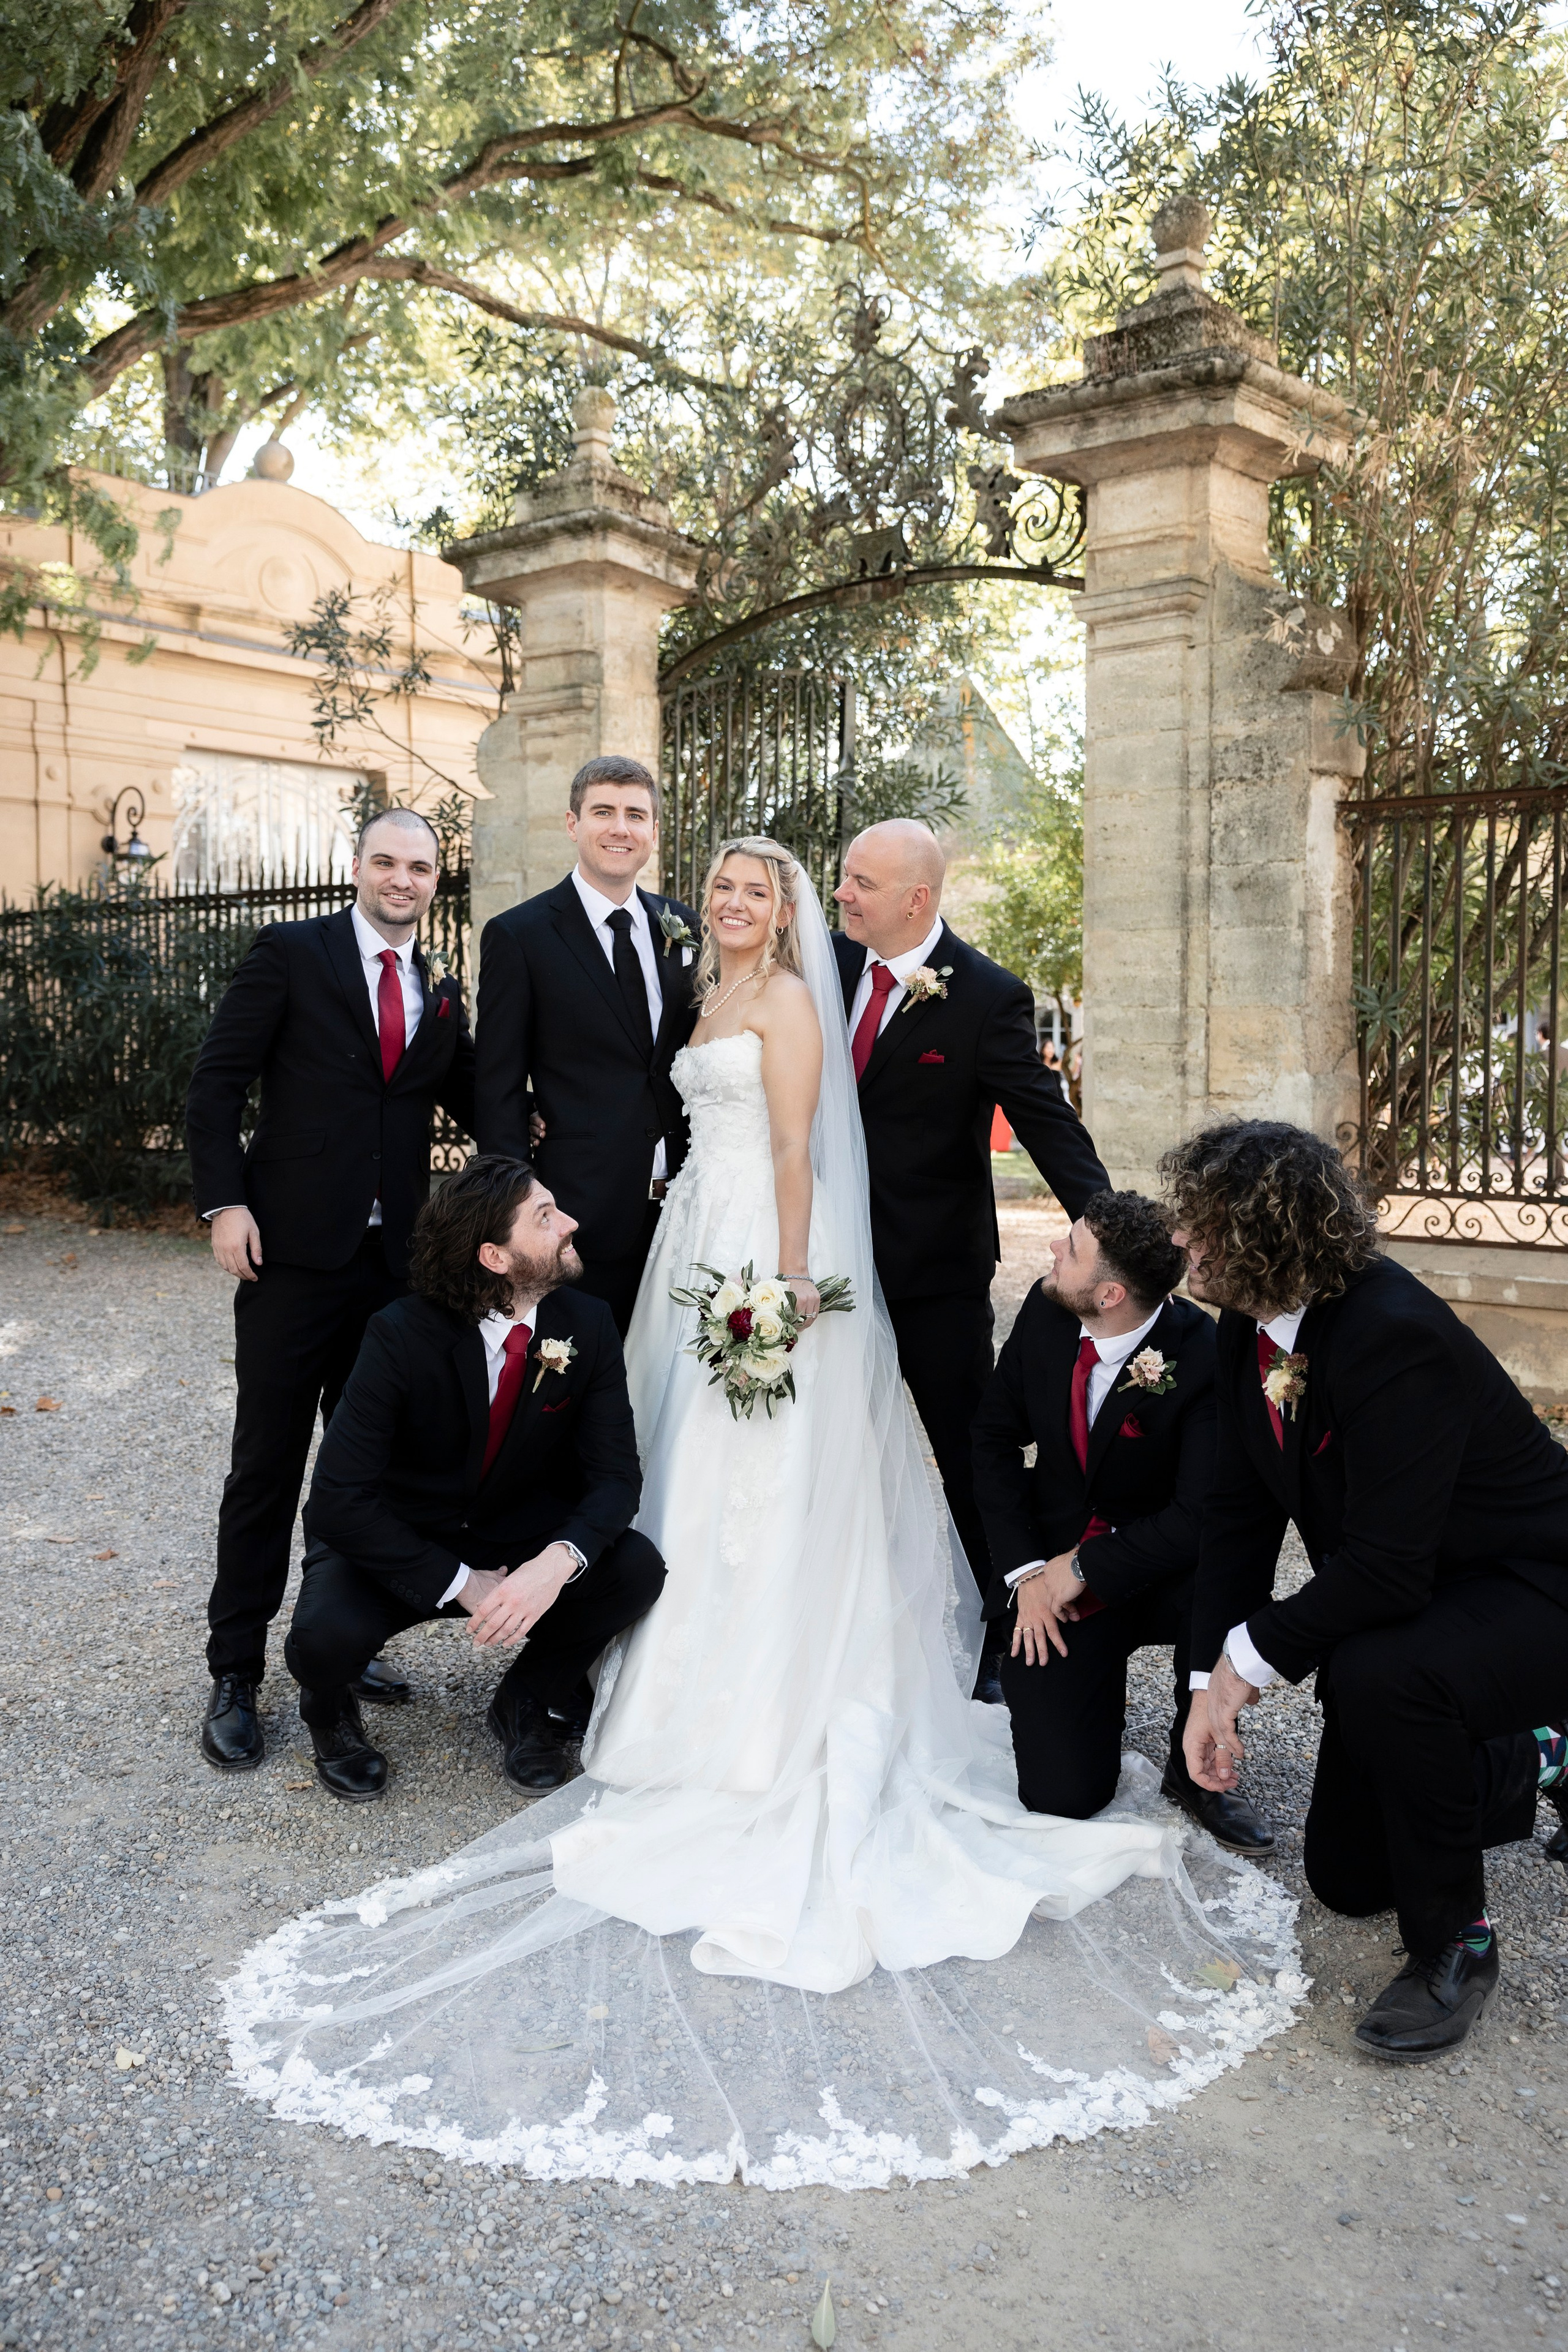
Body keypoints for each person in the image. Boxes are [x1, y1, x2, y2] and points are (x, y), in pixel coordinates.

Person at [224, 844, 1304, 2186]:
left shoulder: (806, 1000)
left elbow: (798, 1142)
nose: (742, 906)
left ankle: (771, 1673)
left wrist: (794, 1285)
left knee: (776, 1466)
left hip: (773, 1256)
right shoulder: (701, 992)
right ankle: (612, 1651)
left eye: (760, 892)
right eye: (725, 890)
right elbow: (677, 1116)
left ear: (795, 907)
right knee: (664, 1455)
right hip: (691, 1237)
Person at [1171, 1117, 1568, 2061]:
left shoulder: (1397, 1336)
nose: (1180, 1239)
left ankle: (1457, 1945)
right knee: (1348, 1877)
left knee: (1383, 1675)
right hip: (1425, 1590)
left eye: (1201, 1223)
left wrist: (1246, 1667)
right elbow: (1235, 1519)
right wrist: (1201, 1689)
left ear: (1268, 1234)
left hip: (1533, 1585)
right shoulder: (1244, 1330)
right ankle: (1543, 1758)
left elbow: (1387, 1567)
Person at [185, 807, 475, 1773]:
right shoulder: (291, 954)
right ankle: (235, 1673)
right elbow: (216, 1084)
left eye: (420, 867)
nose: (403, 879)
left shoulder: (438, 985)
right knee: (265, 1469)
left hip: (395, 1273)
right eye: (386, 862)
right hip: (290, 1259)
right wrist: (224, 1204)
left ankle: (335, 1655)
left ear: (438, 881)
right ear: (358, 868)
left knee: (365, 1479)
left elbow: (473, 1093)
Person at [829, 819, 1109, 1701]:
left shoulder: (988, 996)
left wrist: (1111, 1235)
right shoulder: (825, 968)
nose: (842, 895)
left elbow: (1046, 1122)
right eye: (844, 878)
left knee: (967, 1448)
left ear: (917, 900)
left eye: (862, 884)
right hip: (822, 1271)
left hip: (932, 1272)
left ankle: (999, 1625)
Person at [283, 1155, 665, 1798]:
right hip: (403, 1537)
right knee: (322, 1643)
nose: (570, 1223)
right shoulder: (399, 1335)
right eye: (545, 1218)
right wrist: (459, 1582)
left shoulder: (587, 1324)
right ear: (495, 1257)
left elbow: (615, 1476)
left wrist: (554, 1564)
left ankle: (524, 1699)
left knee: (635, 1571)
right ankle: (329, 1712)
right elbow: (335, 1503)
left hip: (517, 1530)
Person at [971, 1189, 1273, 1855]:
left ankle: (1193, 1760)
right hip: (1047, 1567)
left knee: (1222, 1572)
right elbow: (992, 1442)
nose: (1054, 1249)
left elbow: (1201, 1514)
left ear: (1110, 1294)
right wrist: (1028, 1575)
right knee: (1062, 1797)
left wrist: (1081, 1569)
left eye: (1071, 1247)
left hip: (1156, 1570)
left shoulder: (1202, 1352)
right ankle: (1079, 1688)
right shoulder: (1047, 1310)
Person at [472, 755, 698, 1333]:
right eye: (603, 812)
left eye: (635, 815)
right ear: (573, 824)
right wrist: (516, 1215)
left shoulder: (685, 927)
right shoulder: (519, 936)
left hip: (687, 1210)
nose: (620, 828)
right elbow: (497, 1087)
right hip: (577, 1214)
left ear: (653, 831)